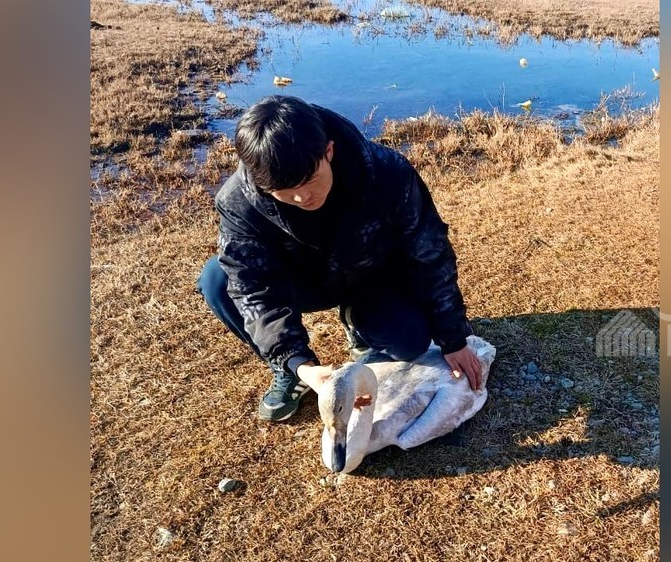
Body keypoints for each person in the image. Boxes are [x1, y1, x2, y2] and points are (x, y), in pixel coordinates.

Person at [197, 95, 482, 422]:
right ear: (262, 184)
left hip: (372, 274)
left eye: (309, 181)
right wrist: (299, 364)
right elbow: (253, 288)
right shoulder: (238, 202)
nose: (303, 197)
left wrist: (452, 336)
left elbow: (430, 252)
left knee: (412, 341)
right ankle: (289, 372)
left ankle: (360, 323)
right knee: (217, 280)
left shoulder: (387, 173)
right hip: (303, 282)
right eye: (285, 191)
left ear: (328, 152)